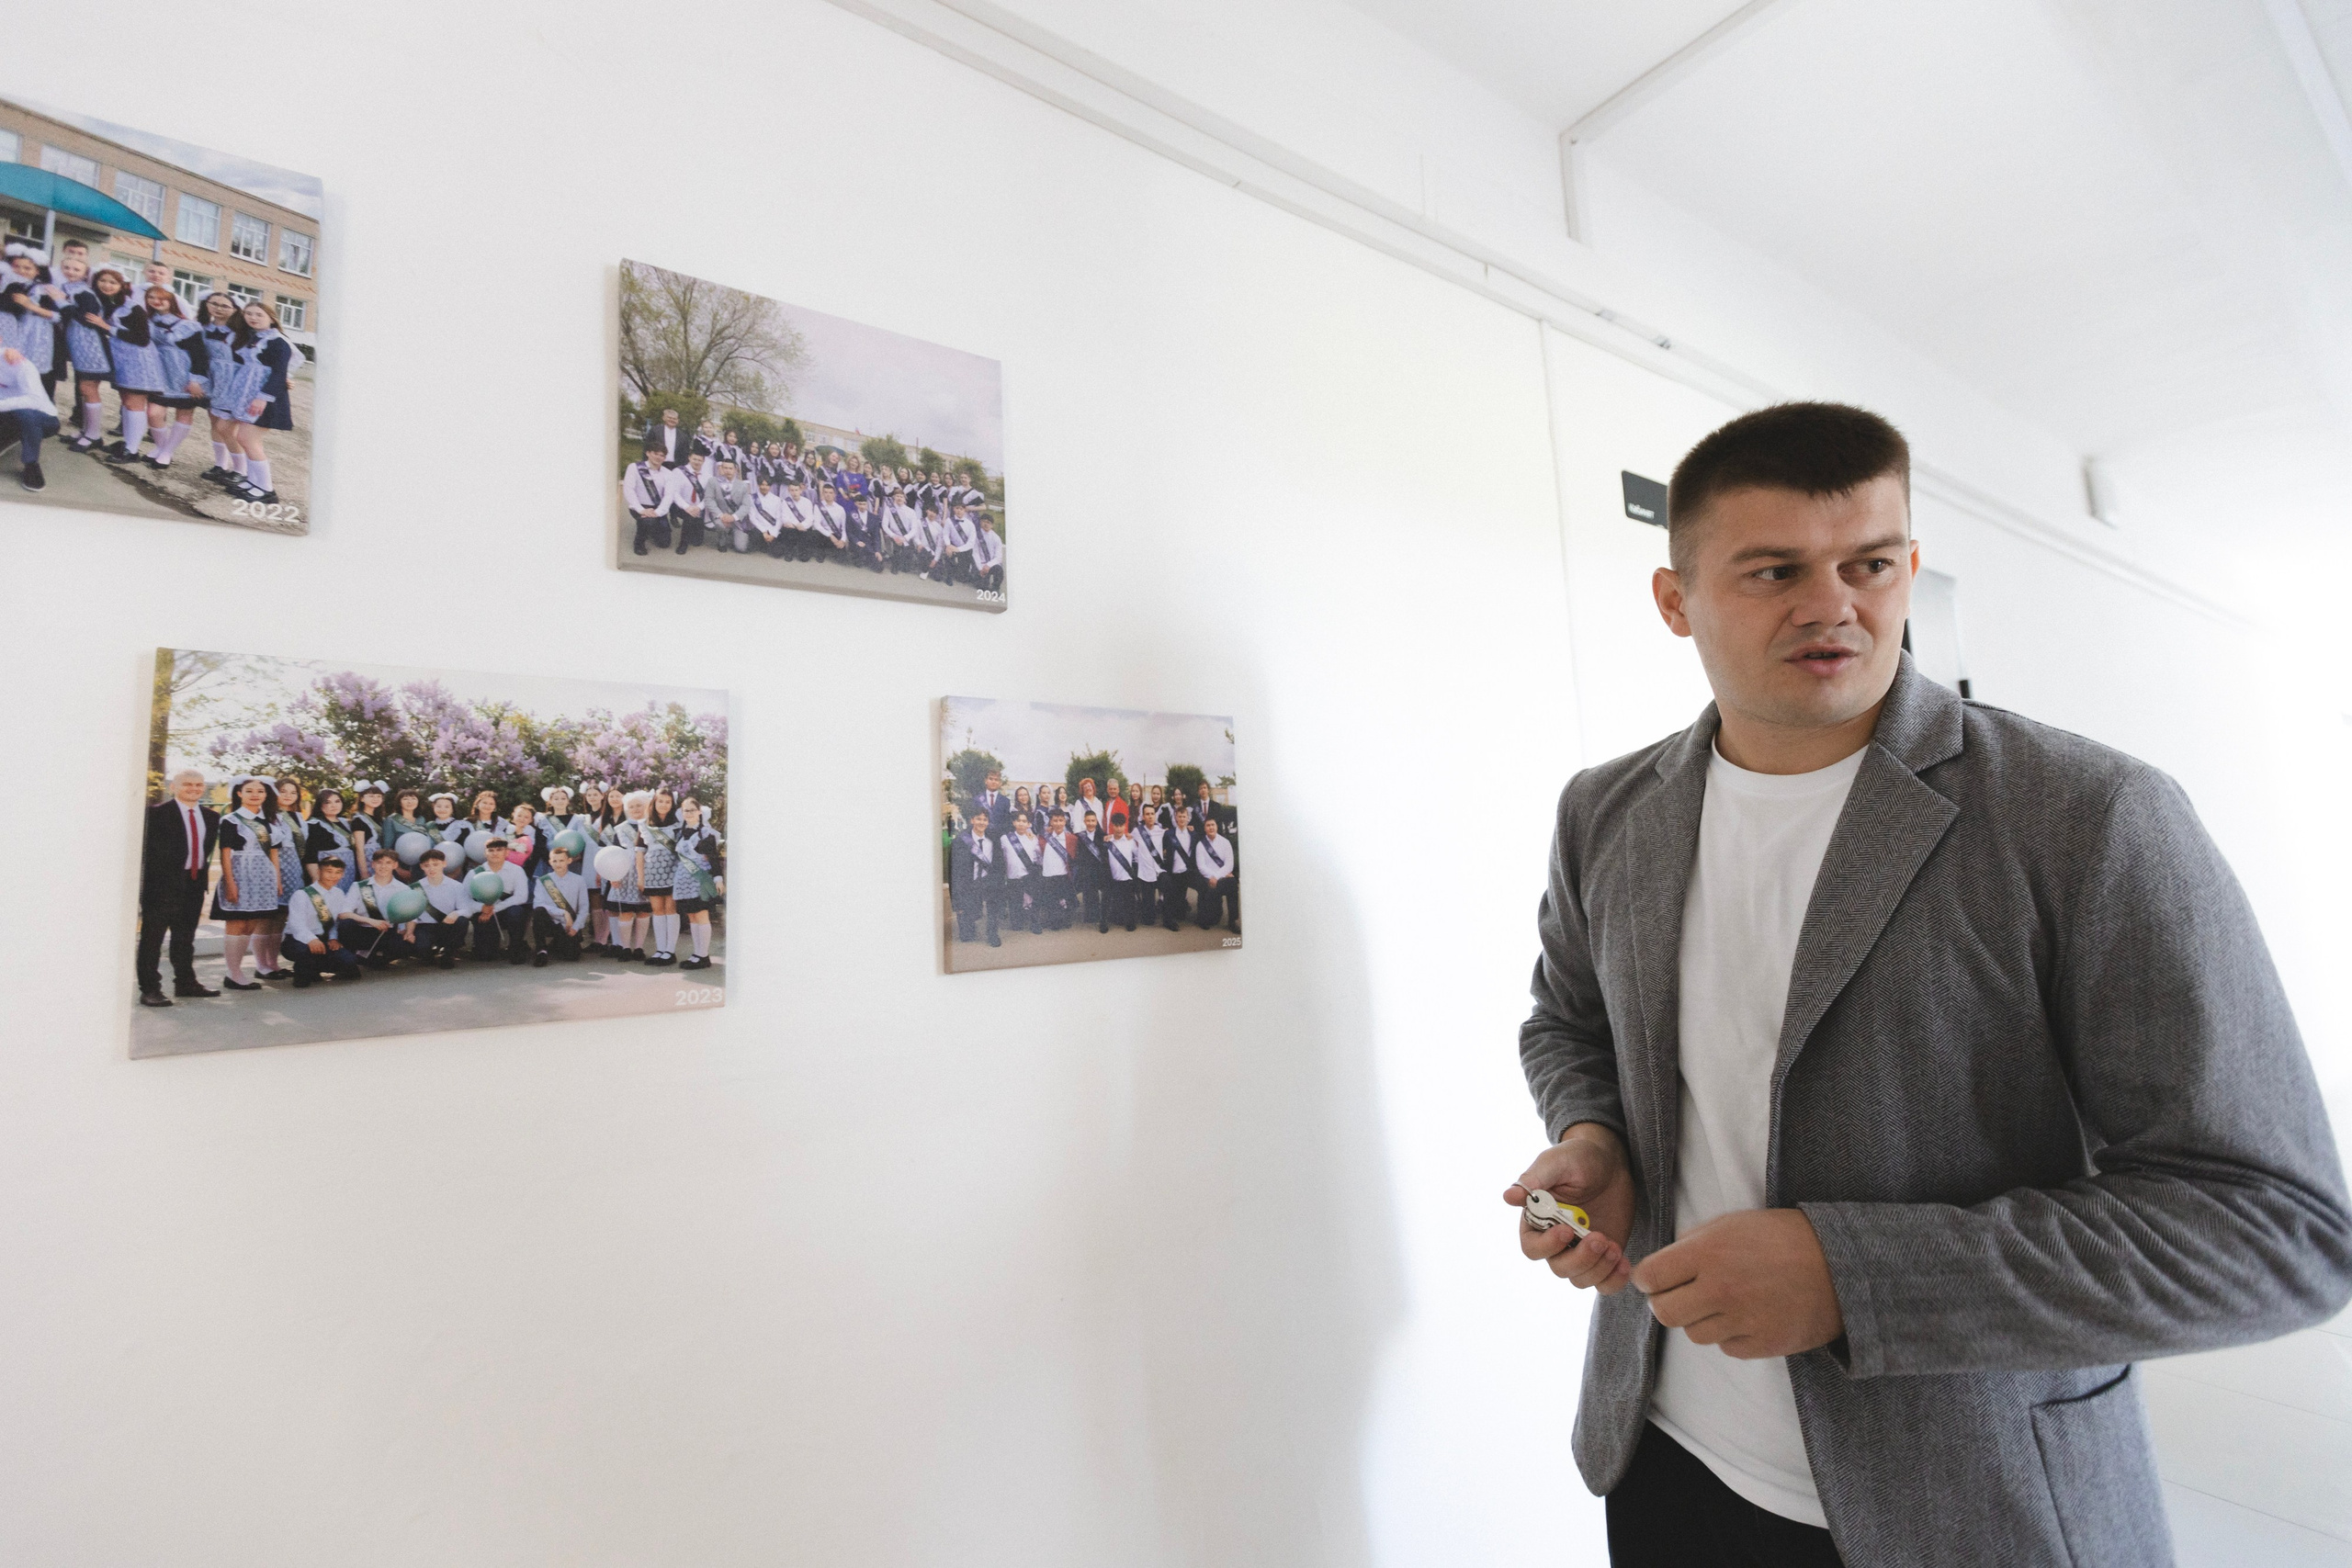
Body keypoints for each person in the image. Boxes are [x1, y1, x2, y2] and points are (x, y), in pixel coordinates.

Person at [1507, 401, 2352, 1567]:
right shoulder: (1604, 813)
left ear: (1909, 565)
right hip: (1661, 1459)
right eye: (1771, 571)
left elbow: (2275, 1232)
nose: (1832, 605)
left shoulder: (2088, 817)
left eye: (1867, 563)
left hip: (1971, 1503)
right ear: (1674, 601)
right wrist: (1594, 1134)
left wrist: (1853, 1277)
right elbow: (1566, 1021)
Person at [137, 770, 220, 1007]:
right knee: (152, 940)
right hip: (161, 887)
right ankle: (150, 989)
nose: (193, 789)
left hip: (193, 885)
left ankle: (186, 983)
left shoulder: (211, 817)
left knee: (185, 939)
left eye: (198, 784)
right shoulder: (155, 815)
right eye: (187, 784)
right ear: (173, 787)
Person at [216, 299, 297, 504]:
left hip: (265, 398)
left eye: (259, 314)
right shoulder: (252, 338)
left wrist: (263, 398)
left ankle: (267, 490)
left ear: (271, 318)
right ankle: (254, 481)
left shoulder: (278, 341)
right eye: (249, 314)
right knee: (243, 438)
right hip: (246, 394)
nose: (253, 318)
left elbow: (279, 373)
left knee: (249, 440)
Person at [209, 774, 285, 991]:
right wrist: (230, 883)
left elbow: (274, 854)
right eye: (249, 791)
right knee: (237, 922)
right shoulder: (231, 820)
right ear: (240, 793)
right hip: (240, 873)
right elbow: (225, 854)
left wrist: (277, 881)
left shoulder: (268, 822)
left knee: (251, 924)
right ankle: (233, 973)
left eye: (260, 791)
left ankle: (239, 971)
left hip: (263, 878)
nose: (255, 795)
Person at [283, 856, 363, 987]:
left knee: (349, 960)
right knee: (303, 978)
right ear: (319, 872)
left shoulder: (339, 893)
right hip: (299, 940)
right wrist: (311, 940)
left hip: (324, 939)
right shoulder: (302, 894)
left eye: (338, 872)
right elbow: (296, 924)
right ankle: (303, 970)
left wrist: (333, 938)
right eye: (329, 871)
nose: (333, 876)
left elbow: (336, 921)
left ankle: (315, 967)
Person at [672, 796, 724, 970]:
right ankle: (697, 953)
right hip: (684, 881)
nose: (688, 813)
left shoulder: (706, 834)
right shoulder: (679, 833)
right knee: (692, 917)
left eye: (692, 810)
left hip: (700, 880)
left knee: (701, 916)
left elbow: (713, 858)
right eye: (685, 810)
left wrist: (718, 878)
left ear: (699, 812)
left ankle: (703, 955)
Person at [345, 850, 419, 968]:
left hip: (386, 932)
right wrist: (370, 921)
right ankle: (356, 956)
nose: (383, 866)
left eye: (388, 863)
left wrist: (409, 932)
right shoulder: (358, 886)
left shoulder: (403, 889)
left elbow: (412, 914)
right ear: (373, 864)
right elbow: (344, 913)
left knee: (407, 947)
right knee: (346, 924)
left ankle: (377, 959)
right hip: (363, 931)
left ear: (395, 865)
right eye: (379, 862)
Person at [469, 838, 530, 964]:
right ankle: (487, 945)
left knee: (517, 912)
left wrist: (494, 909)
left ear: (507, 852)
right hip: (483, 914)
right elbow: (464, 899)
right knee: (486, 956)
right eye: (491, 850)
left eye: (499, 850)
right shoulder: (474, 873)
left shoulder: (517, 870)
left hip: (505, 912)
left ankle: (515, 947)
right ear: (485, 853)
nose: (495, 853)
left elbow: (521, 896)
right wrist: (481, 908)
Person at [529, 842, 589, 965]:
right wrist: (563, 913)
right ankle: (541, 950)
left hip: (568, 925)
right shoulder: (543, 881)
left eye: (561, 860)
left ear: (569, 860)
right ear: (550, 862)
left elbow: (584, 907)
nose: (558, 864)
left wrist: (575, 927)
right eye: (554, 861)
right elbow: (538, 905)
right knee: (539, 911)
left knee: (572, 956)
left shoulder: (579, 880)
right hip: (550, 922)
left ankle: (557, 943)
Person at [949, 808, 1001, 946]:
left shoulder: (993, 840)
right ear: (972, 820)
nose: (981, 822)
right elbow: (956, 868)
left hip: (988, 880)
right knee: (967, 935)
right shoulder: (961, 840)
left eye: (985, 819)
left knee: (993, 906)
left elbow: (999, 862)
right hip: (969, 881)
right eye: (978, 819)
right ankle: (968, 928)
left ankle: (992, 934)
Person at [412, 847, 469, 968]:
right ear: (422, 867)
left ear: (444, 864)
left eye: (435, 864)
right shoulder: (415, 888)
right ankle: (429, 953)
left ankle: (448, 953)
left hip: (447, 924)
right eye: (427, 865)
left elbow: (466, 909)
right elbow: (410, 912)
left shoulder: (456, 886)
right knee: (422, 948)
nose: (431, 868)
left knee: (462, 921)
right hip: (425, 927)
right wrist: (408, 930)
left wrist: (456, 914)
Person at [624, 441, 672, 555]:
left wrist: (658, 512)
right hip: (640, 506)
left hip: (658, 507)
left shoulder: (668, 473)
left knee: (664, 543)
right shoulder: (634, 468)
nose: (659, 457)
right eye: (656, 453)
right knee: (647, 521)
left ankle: (650, 527)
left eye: (662, 455)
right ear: (648, 453)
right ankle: (639, 543)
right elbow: (629, 490)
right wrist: (641, 510)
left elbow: (669, 496)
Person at [1193, 816, 1238, 932]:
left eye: (1212, 825)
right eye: (1208, 825)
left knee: (1233, 884)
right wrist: (1213, 877)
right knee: (1212, 917)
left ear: (1217, 827)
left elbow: (1229, 865)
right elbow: (1201, 866)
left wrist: (1216, 877)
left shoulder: (1225, 843)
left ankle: (1233, 921)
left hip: (1220, 878)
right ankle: (1204, 917)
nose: (1211, 827)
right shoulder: (1200, 845)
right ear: (1204, 828)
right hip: (1208, 878)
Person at [1097, 819, 1142, 932]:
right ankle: (1103, 923)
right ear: (1112, 826)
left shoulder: (1130, 841)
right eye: (1116, 826)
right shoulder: (1108, 841)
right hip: (1112, 878)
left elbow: (1137, 856)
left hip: (1127, 878)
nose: (1118, 829)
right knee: (1106, 901)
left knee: (1130, 902)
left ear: (1125, 826)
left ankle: (1131, 922)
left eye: (1121, 826)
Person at [1002, 811, 1044, 933]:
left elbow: (1038, 856)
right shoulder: (1005, 839)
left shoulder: (1032, 838)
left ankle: (1035, 923)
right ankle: (1017, 922)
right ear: (1014, 822)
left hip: (1028, 875)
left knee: (1034, 899)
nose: (1021, 823)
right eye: (1019, 821)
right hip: (1013, 876)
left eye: (1024, 821)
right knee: (1014, 901)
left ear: (1029, 824)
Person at [1038, 808, 1076, 930]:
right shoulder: (1043, 838)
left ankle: (1064, 919)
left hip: (1064, 874)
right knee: (1051, 899)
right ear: (1050, 822)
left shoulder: (1072, 839)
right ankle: (1053, 921)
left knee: (1065, 898)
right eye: (1055, 820)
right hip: (1048, 874)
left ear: (1065, 822)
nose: (1058, 823)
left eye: (1061, 820)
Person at [667, 456, 707, 555]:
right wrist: (687, 507)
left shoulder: (707, 475)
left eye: (699, 460)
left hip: (698, 509)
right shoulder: (678, 471)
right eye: (694, 459)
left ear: (703, 461)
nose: (697, 462)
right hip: (680, 506)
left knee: (697, 542)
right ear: (689, 458)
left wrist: (699, 507)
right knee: (689, 517)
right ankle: (683, 545)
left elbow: (709, 496)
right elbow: (674, 493)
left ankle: (694, 526)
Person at [969, 771, 1013, 835]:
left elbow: (1007, 822)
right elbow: (972, 819)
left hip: (998, 837)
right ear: (986, 781)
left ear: (1000, 783)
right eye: (991, 779)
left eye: (996, 780)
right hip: (981, 835)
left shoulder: (1005, 801)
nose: (993, 782)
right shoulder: (977, 799)